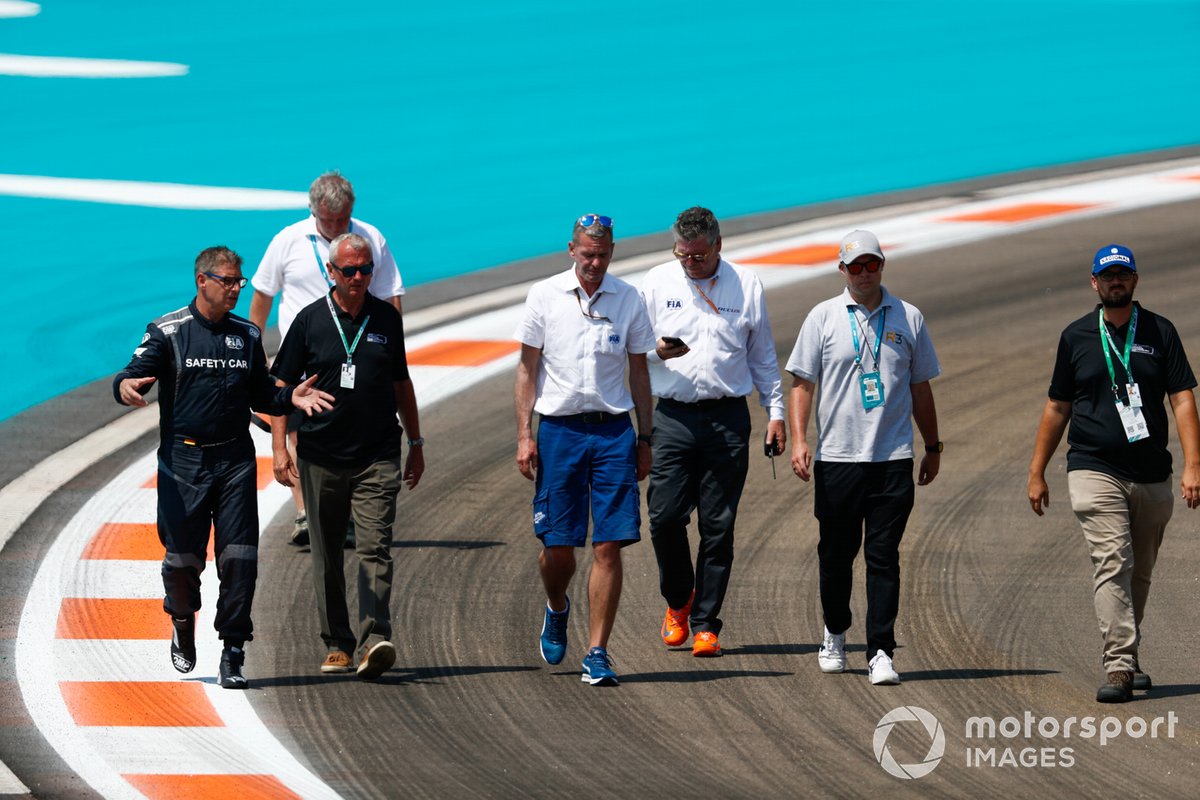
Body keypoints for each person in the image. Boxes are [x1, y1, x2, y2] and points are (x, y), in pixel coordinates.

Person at [113, 246, 333, 689]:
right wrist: (127, 387)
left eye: (240, 281)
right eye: (229, 281)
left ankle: (233, 651)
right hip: (183, 463)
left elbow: (262, 395)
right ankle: (180, 618)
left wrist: (289, 397)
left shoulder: (247, 335)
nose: (237, 288)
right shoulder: (167, 331)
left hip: (234, 461)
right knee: (181, 563)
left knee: (239, 561)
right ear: (203, 281)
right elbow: (130, 372)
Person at [1027, 244, 1200, 703]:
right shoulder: (1076, 336)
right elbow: (1057, 406)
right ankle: (1119, 664)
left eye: (1123, 275)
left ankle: (1129, 649)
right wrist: (1036, 471)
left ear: (1136, 281)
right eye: (1108, 276)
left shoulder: (1160, 332)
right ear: (1094, 283)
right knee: (1113, 561)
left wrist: (1192, 466)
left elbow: (1182, 398)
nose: (1115, 282)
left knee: (1139, 571)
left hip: (1151, 472)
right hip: (1092, 467)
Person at [786, 230, 941, 686]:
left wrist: (932, 446)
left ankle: (881, 651)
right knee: (835, 555)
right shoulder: (823, 317)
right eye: (856, 266)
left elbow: (921, 386)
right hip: (838, 458)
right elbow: (801, 383)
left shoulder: (908, 317)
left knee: (884, 557)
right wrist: (799, 440)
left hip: (892, 458)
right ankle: (835, 632)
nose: (865, 273)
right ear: (843, 270)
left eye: (872, 264)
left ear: (882, 266)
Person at [270, 232, 424, 680]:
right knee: (328, 553)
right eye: (350, 271)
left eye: (366, 270)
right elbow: (280, 386)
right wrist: (280, 447)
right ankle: (337, 642)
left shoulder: (386, 320)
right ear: (330, 273)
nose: (359, 278)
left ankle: (374, 639)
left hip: (378, 455)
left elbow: (401, 383)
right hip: (320, 455)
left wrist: (416, 443)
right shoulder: (309, 321)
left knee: (376, 548)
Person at [514, 213, 655, 686]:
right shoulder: (544, 295)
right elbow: (526, 370)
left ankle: (597, 651)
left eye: (603, 254)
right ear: (571, 250)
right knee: (558, 548)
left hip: (614, 431)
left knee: (609, 544)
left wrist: (646, 436)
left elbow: (639, 372)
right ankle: (557, 605)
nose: (595, 262)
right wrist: (523, 435)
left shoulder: (629, 298)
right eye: (587, 253)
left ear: (613, 252)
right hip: (559, 431)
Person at [638, 206, 786, 658]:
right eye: (682, 254)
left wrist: (775, 412)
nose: (689, 263)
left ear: (718, 246)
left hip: (727, 418)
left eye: (698, 256)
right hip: (673, 416)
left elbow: (762, 355)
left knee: (718, 527)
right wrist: (657, 351)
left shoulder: (747, 284)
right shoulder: (657, 281)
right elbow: (634, 349)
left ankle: (706, 624)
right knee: (664, 518)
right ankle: (678, 601)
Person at [250, 171, 405, 546]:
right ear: (312, 210)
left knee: (348, 429)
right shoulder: (288, 240)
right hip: (301, 355)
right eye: (328, 221)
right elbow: (262, 296)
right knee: (298, 431)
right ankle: (307, 513)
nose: (336, 228)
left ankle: (338, 510)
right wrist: (255, 355)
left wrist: (389, 351)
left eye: (343, 220)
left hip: (353, 350)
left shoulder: (369, 239)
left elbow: (391, 296)